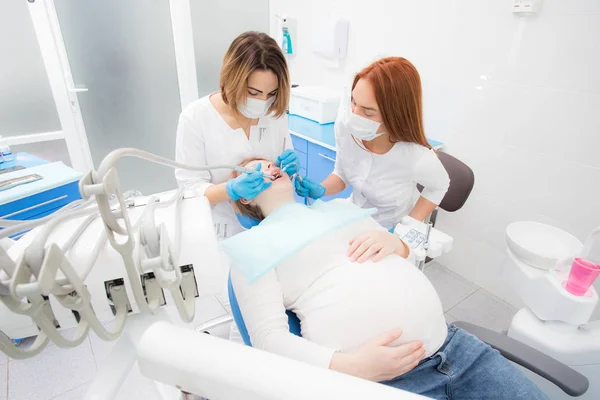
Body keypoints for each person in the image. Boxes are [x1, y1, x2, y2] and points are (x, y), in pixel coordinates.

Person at [225, 157, 548, 400]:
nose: (269, 167)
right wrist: (355, 368)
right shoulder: (251, 249)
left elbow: (409, 248)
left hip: (457, 350)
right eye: (257, 169)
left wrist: (399, 242)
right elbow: (268, 340)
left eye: (270, 162)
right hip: (381, 383)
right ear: (244, 197)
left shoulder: (340, 208)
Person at [295, 57, 450, 230]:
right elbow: (342, 174)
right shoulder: (345, 127)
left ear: (395, 115)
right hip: (353, 218)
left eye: (368, 112)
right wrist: (321, 189)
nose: (355, 115)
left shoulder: (415, 156)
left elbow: (439, 186)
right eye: (353, 102)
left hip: (389, 229)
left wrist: (407, 227)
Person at [175, 31, 297, 240]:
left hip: (273, 228)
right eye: (253, 92)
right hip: (220, 233)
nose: (263, 102)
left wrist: (290, 171)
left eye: (272, 93)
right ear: (232, 79)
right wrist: (230, 190)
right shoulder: (195, 118)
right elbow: (190, 191)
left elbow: (284, 161)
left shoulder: (273, 113)